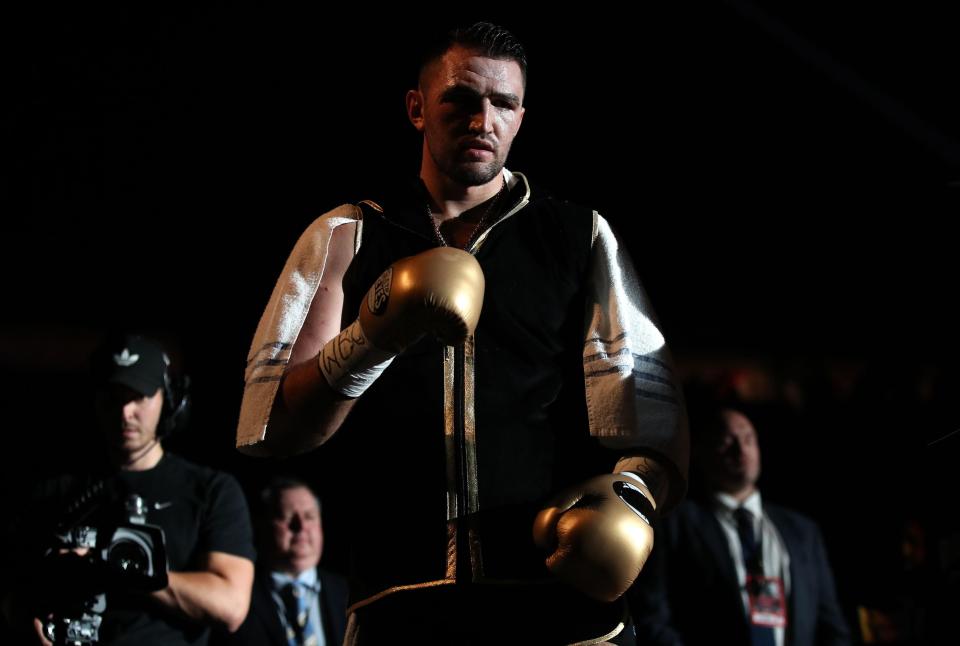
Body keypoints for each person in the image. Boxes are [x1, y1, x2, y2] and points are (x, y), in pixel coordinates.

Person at [236, 22, 688, 645]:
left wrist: (630, 501)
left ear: (521, 117)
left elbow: (656, 430)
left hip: (557, 604)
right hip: (401, 601)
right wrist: (372, 336)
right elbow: (274, 424)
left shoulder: (578, 236)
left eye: (503, 103)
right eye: (461, 98)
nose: (483, 118)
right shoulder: (348, 233)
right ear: (418, 108)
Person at [8, 333, 256, 645]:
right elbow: (14, 592)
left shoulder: (211, 490)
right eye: (114, 397)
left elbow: (230, 606)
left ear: (170, 400)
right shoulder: (55, 490)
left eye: (138, 396)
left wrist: (116, 566)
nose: (125, 413)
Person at [631, 405, 850, 646]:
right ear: (701, 452)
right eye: (726, 440)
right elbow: (651, 616)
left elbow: (832, 626)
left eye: (748, 438)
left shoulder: (803, 532)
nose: (740, 449)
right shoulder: (674, 525)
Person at [219, 477, 348, 646]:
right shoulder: (237, 596)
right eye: (286, 516)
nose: (301, 526)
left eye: (309, 516)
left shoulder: (348, 592)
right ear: (261, 525)